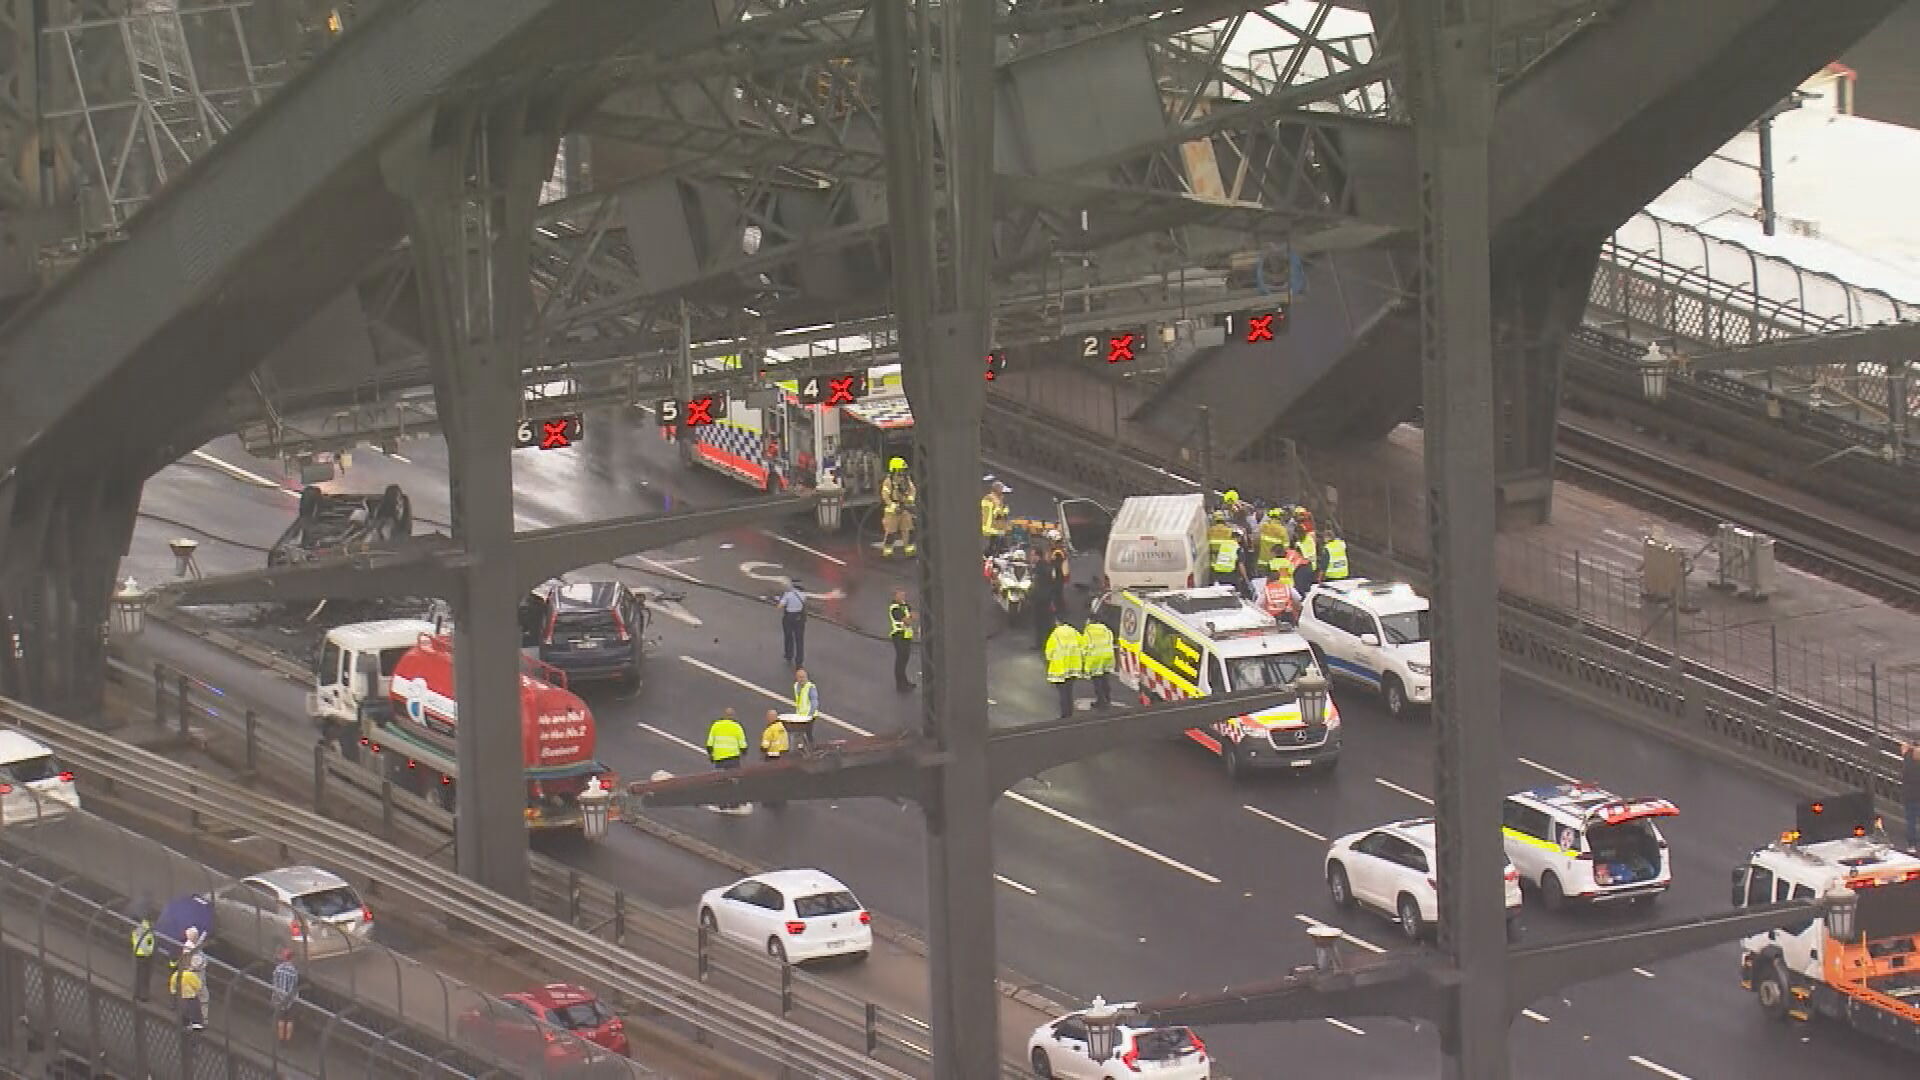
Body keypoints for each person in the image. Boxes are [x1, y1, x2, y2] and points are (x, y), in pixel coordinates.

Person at [705, 708, 748, 811]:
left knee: (721, 781)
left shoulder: (716, 725)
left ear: (724, 715)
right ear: (733, 716)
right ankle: (734, 803)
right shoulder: (737, 727)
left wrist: (711, 755)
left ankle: (722, 803)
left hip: (719, 758)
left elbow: (709, 744)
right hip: (733, 758)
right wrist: (744, 754)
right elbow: (742, 744)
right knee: (734, 780)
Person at [1044, 616, 1084, 720]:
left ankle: (1065, 714)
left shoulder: (1056, 634)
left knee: (1063, 693)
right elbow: (1083, 646)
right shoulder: (1074, 632)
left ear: (1058, 622)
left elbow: (1049, 652)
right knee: (1069, 692)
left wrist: (1050, 660)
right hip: (1073, 668)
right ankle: (1070, 712)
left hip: (1060, 669)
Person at [880, 457, 918, 557]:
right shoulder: (888, 482)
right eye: (900, 471)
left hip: (905, 509)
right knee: (891, 533)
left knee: (908, 530)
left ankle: (909, 549)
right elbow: (885, 495)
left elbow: (912, 490)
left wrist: (910, 499)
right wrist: (892, 505)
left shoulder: (906, 480)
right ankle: (888, 551)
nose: (902, 474)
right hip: (892, 512)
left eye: (903, 471)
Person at [1080, 615, 1115, 709]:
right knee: (1105, 678)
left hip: (1095, 657)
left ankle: (1101, 701)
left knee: (1097, 680)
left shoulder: (1088, 631)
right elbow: (1111, 641)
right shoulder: (1107, 630)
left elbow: (1084, 647)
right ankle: (1108, 698)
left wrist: (1083, 660)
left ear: (1091, 621)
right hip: (1107, 657)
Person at [1030, 544, 1061, 650]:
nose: (1031, 557)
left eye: (1032, 555)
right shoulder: (1042, 567)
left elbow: (1043, 584)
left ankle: (1044, 644)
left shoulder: (1042, 568)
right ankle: (1042, 643)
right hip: (1043, 599)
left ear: (1037, 556)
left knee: (1042, 622)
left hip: (1043, 599)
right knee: (1042, 622)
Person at [888, 588, 917, 692]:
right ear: (895, 596)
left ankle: (905, 682)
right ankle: (900, 685)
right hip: (898, 635)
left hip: (906, 635)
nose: (903, 597)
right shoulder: (895, 608)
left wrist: (910, 617)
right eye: (901, 595)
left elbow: (914, 616)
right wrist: (909, 617)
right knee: (901, 660)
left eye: (904, 595)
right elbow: (908, 620)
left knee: (905, 659)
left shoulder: (904, 605)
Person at [760, 711, 790, 810]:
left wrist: (762, 753)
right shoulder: (782, 728)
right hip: (782, 756)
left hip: (772, 757)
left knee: (770, 779)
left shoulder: (769, 730)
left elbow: (765, 746)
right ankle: (782, 798)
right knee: (780, 778)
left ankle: (770, 800)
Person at [271, 949, 299, 1044]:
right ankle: (287, 1040)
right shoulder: (294, 971)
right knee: (289, 1020)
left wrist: (279, 996)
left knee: (281, 1020)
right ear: (292, 958)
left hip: (278, 998)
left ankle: (280, 1039)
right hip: (290, 1000)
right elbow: (294, 986)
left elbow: (275, 983)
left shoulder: (277, 969)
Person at [777, 580, 807, 668]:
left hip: (789, 617)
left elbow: (780, 606)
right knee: (799, 640)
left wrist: (780, 601)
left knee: (788, 636)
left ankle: (789, 654)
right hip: (799, 618)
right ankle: (799, 661)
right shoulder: (803, 595)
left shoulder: (788, 595)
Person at [130, 908, 157, 1002]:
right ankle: (143, 995)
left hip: (141, 954)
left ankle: (138, 993)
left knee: (140, 975)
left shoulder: (137, 930)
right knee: (145, 976)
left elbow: (141, 942)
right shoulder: (145, 926)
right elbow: (147, 941)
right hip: (147, 954)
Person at [169, 959, 204, 1030]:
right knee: (195, 1010)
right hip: (191, 995)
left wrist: (174, 994)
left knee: (184, 1011)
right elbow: (198, 985)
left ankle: (184, 1025)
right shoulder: (190, 975)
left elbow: (172, 987)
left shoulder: (175, 975)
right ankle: (196, 1025)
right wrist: (198, 990)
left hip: (181, 996)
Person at [790, 669, 820, 751]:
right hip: (800, 715)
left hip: (809, 717)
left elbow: (814, 703)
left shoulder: (810, 687)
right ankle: (807, 748)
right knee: (804, 733)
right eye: (800, 677)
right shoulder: (796, 686)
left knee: (801, 733)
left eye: (803, 677)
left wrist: (809, 716)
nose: (802, 679)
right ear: (796, 678)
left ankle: (806, 749)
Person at [980, 478, 1012, 557]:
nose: (1003, 494)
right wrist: (1003, 511)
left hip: (996, 532)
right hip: (990, 532)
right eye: (1001, 491)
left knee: (996, 553)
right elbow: (993, 514)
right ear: (997, 490)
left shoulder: (998, 500)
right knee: (989, 553)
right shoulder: (990, 499)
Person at [1902, 740, 1920, 851]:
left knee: (1911, 821)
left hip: (1909, 797)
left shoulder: (1908, 761)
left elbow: (1904, 747)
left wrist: (1911, 747)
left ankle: (1911, 845)